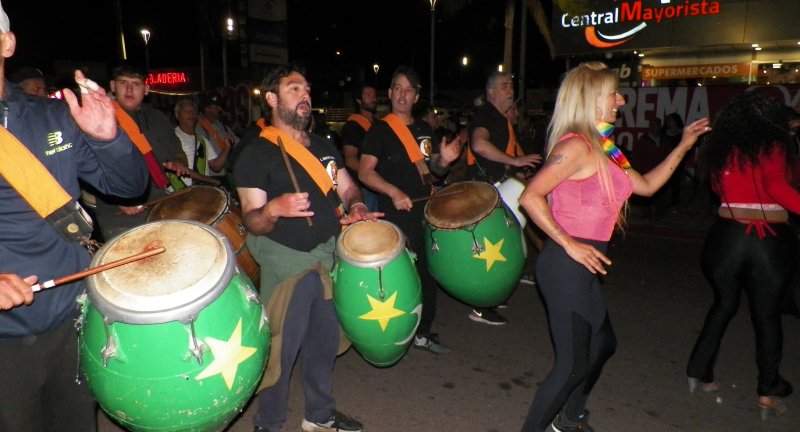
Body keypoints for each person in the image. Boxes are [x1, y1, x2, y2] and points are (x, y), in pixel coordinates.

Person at [518, 61, 709, 432]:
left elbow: (648, 186)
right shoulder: (575, 146)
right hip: (566, 263)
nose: (621, 100)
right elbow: (530, 196)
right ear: (592, 99)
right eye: (613, 93)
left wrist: (685, 145)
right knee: (571, 364)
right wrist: (569, 243)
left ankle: (570, 416)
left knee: (604, 343)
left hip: (585, 265)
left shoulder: (606, 148)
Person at [0, 2, 149, 430]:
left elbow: (128, 187)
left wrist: (108, 139)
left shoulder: (53, 116)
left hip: (75, 321)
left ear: (7, 43)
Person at [234, 63, 378, 432]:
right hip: (288, 265)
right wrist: (273, 209)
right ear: (271, 99)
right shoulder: (255, 154)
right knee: (280, 351)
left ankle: (319, 415)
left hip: (327, 257)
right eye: (294, 88)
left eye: (307, 89)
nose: (305, 95)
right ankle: (268, 423)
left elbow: (347, 188)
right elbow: (251, 219)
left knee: (324, 343)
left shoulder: (326, 145)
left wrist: (357, 204)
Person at [685, 92, 800, 420]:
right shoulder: (771, 145)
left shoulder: (721, 147)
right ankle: (767, 390)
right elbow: (777, 188)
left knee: (723, 304)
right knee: (767, 314)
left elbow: (717, 190)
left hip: (726, 236)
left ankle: (699, 371)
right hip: (767, 241)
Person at [359, 65, 462, 354]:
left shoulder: (424, 130)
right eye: (398, 88)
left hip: (424, 213)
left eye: (409, 89)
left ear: (416, 97)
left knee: (429, 274)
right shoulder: (379, 130)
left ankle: (423, 332)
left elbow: (432, 173)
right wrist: (393, 192)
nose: (403, 94)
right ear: (390, 93)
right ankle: (397, 331)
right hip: (396, 216)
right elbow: (366, 173)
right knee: (403, 278)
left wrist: (445, 161)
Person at [467, 73, 543, 325]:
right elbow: (479, 145)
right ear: (491, 92)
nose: (510, 90)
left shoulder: (501, 119)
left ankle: (491, 296)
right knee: (488, 251)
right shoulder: (486, 114)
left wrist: (517, 168)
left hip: (498, 189)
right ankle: (480, 306)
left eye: (511, 85)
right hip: (483, 192)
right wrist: (514, 161)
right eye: (504, 86)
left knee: (500, 249)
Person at [91, 61, 191, 241]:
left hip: (159, 203)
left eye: (136, 84)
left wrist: (179, 162)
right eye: (123, 83)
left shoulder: (158, 118)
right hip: (118, 212)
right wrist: (119, 199)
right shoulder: (98, 118)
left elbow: (177, 151)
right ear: (113, 86)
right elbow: (88, 166)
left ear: (146, 89)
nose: (129, 90)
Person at [340, 83, 379, 212]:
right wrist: (374, 176)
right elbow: (350, 159)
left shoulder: (379, 125)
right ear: (358, 100)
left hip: (379, 186)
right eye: (368, 95)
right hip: (364, 188)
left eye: (374, 95)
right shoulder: (353, 126)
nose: (373, 98)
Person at [173, 98, 229, 186]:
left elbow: (216, 166)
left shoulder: (202, 141)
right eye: (187, 111)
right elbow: (179, 165)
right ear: (177, 115)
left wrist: (227, 147)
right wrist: (211, 180)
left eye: (194, 111)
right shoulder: (171, 137)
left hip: (200, 192)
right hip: (179, 192)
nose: (191, 114)